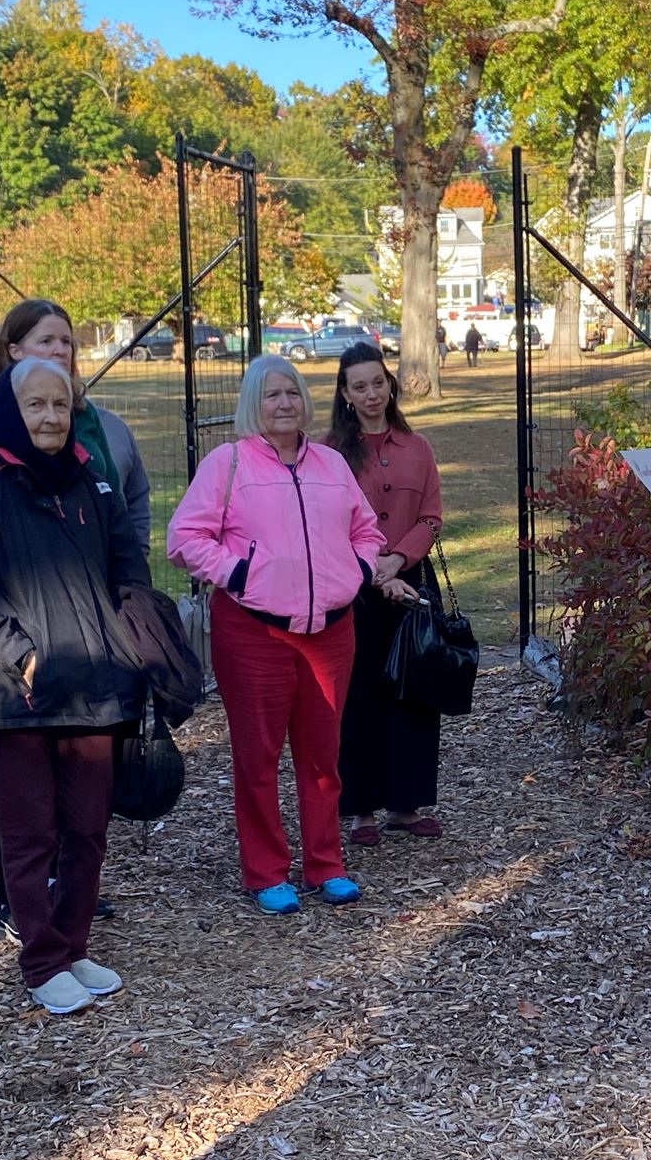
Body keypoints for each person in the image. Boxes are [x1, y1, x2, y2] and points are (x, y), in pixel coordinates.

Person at [0, 358, 149, 1014]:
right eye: (35, 406)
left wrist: (132, 644)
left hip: (94, 689)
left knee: (87, 828)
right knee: (30, 835)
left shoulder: (92, 489)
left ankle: (73, 946)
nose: (50, 418)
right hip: (16, 696)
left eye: (60, 405)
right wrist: (15, 654)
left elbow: (127, 573)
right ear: (8, 413)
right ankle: (42, 959)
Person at [167, 355, 388, 914]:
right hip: (255, 634)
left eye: (292, 393)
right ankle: (266, 871)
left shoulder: (332, 464)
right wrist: (240, 574)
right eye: (271, 395)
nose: (285, 403)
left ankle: (325, 863)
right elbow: (185, 538)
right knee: (258, 756)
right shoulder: (229, 464)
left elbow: (366, 529)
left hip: (331, 633)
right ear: (252, 405)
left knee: (322, 757)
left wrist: (359, 570)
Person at [326, 342, 445, 846]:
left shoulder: (417, 447)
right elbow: (326, 521)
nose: (372, 393)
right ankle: (361, 811)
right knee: (359, 696)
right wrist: (374, 570)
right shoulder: (329, 452)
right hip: (352, 586)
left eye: (378, 382)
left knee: (414, 690)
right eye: (360, 387)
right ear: (346, 395)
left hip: (410, 581)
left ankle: (406, 802)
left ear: (389, 384)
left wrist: (397, 561)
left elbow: (431, 517)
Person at [0, 298, 150, 549]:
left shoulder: (85, 412)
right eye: (46, 341)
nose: (60, 350)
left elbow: (114, 495)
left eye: (66, 342)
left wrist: (129, 562)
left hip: (96, 557)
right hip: (24, 559)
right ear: (14, 350)